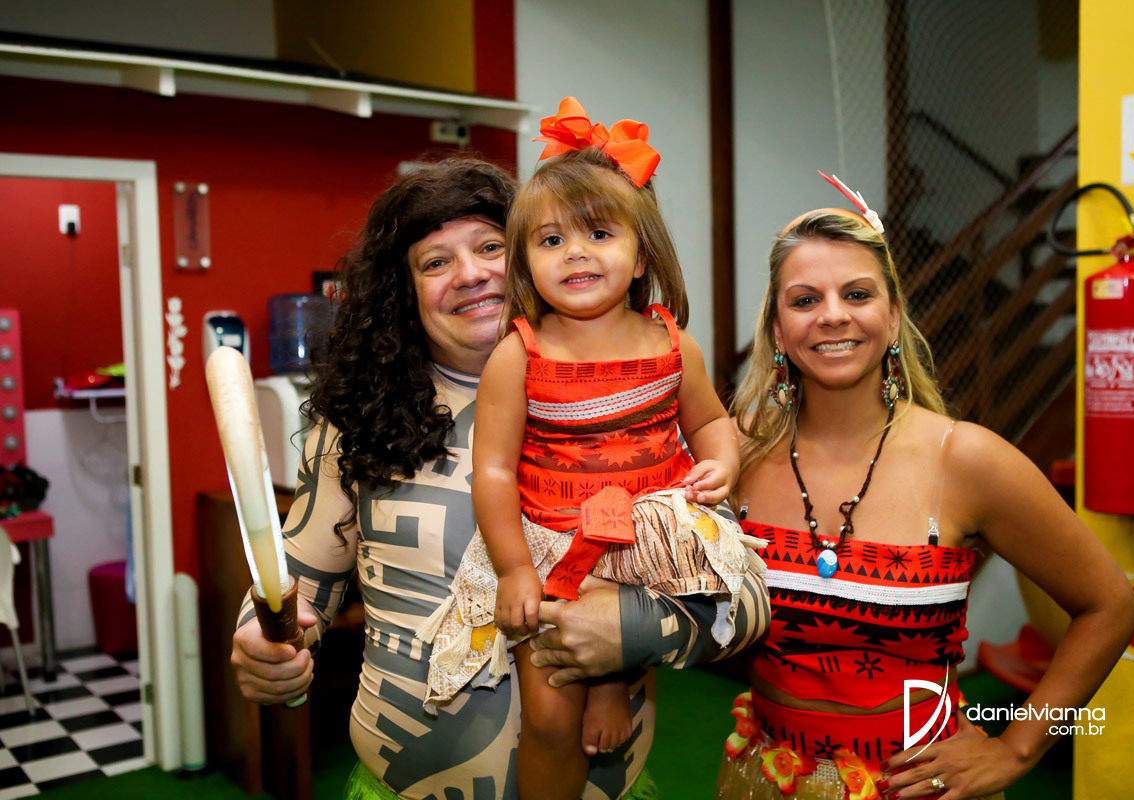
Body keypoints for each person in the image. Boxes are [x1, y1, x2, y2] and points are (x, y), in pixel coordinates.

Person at [228, 155, 769, 800]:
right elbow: (299, 570)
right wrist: (262, 636)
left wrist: (632, 630)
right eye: (435, 262)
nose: (471, 274)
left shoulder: (647, 393)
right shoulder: (355, 422)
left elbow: (744, 598)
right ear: (404, 289)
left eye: (490, 247)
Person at [716, 175, 1134, 799]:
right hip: (765, 779)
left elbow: (1111, 606)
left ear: (892, 318)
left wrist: (1016, 748)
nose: (832, 314)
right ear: (778, 331)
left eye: (857, 294)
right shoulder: (736, 453)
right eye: (804, 300)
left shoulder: (966, 459)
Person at [415, 99, 762, 800]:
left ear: (641, 255)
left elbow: (711, 422)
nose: (575, 252)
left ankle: (614, 681)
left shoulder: (673, 344)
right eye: (551, 240)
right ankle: (594, 697)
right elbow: (493, 471)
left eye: (599, 233)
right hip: (552, 545)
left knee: (633, 618)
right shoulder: (520, 354)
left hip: (647, 538)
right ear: (526, 262)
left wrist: (722, 462)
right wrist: (514, 569)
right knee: (548, 718)